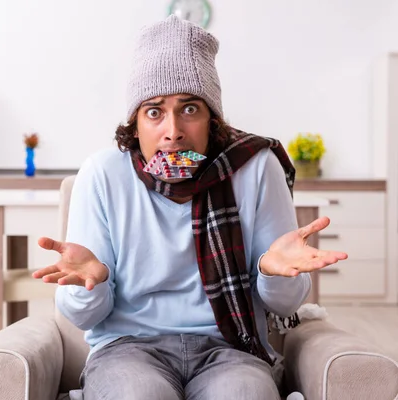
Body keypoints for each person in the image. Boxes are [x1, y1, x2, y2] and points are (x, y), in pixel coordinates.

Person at [32, 15, 347, 400]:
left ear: (212, 117)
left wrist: (273, 273)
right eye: (154, 111)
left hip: (232, 348)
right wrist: (89, 284)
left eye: (190, 109)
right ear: (135, 123)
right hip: (127, 348)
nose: (173, 130)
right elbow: (83, 316)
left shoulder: (256, 168)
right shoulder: (102, 175)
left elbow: (284, 303)